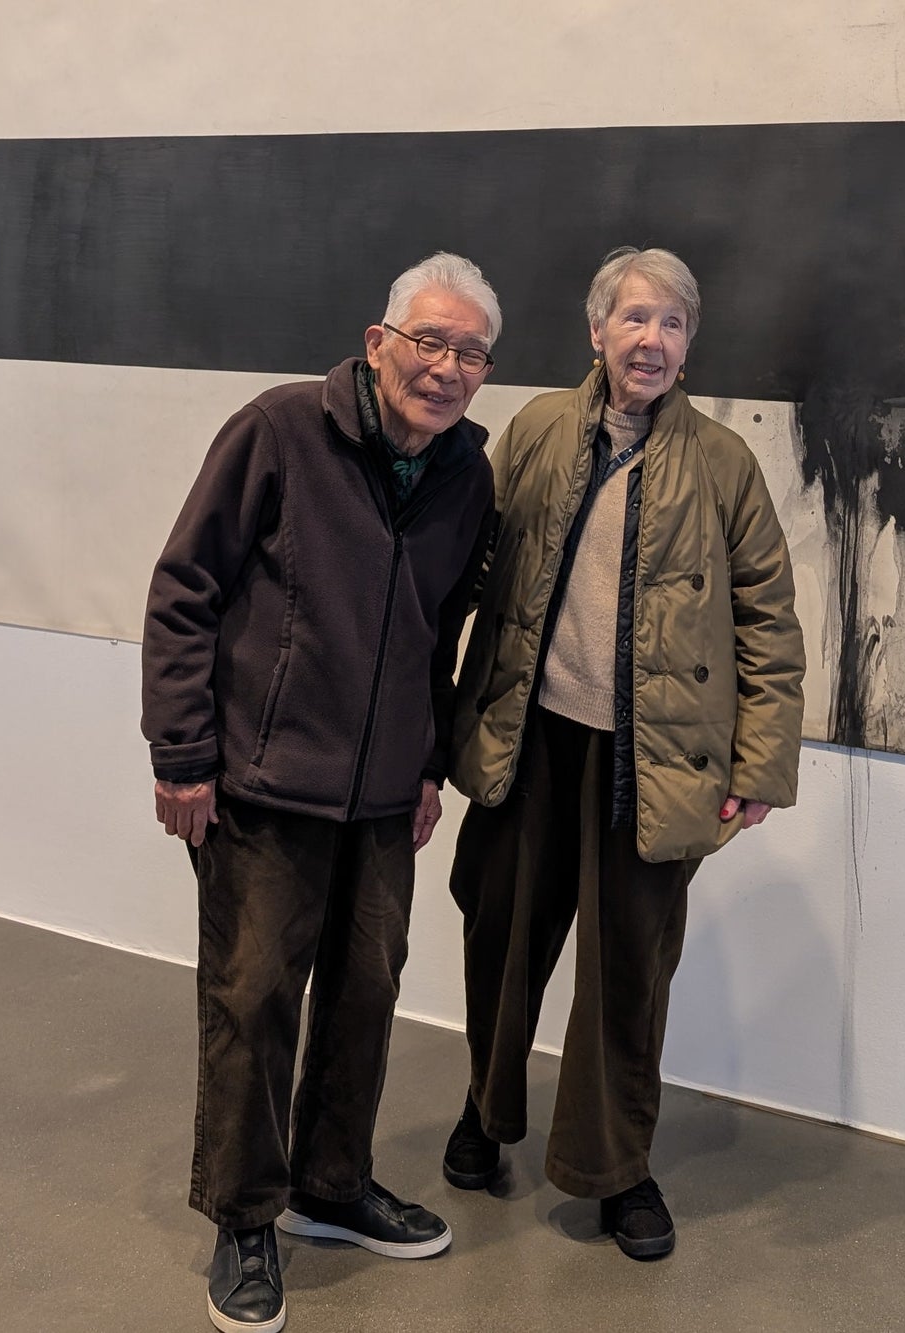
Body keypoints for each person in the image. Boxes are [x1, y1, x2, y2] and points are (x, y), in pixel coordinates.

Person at [142, 253, 500, 1333]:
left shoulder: (464, 476)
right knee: (252, 1000)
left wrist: (429, 762)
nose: (444, 368)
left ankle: (331, 1185)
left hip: (385, 795)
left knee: (365, 989)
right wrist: (181, 755)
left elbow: (441, 635)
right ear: (377, 340)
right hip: (261, 782)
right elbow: (183, 590)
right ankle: (245, 1216)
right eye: (428, 341)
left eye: (469, 353)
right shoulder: (278, 431)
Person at [441, 246, 804, 1261]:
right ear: (596, 332)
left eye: (672, 323)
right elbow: (467, 566)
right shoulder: (536, 431)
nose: (651, 339)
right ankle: (484, 1112)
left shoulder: (724, 465)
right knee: (499, 944)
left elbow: (767, 622)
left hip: (652, 766)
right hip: (529, 741)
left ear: (688, 348)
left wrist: (758, 763)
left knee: (626, 975)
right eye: (634, 318)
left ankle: (616, 1168)